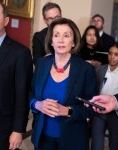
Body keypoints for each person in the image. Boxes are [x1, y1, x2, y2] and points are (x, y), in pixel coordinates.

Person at [29, 18, 96, 150]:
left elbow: (90, 108)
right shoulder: (42, 64)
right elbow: (30, 94)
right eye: (56, 35)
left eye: (66, 35)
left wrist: (67, 111)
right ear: (51, 41)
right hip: (42, 138)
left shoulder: (85, 69)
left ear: (73, 42)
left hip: (73, 139)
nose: (61, 40)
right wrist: (38, 104)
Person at [0, 1, 33, 150]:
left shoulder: (20, 53)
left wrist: (18, 129)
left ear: (6, 20)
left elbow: (22, 95)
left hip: (3, 129)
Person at [91, 42, 118, 150]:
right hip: (98, 111)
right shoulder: (99, 70)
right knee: (96, 144)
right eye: (110, 53)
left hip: (116, 114)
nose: (112, 57)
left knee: (114, 145)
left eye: (116, 54)